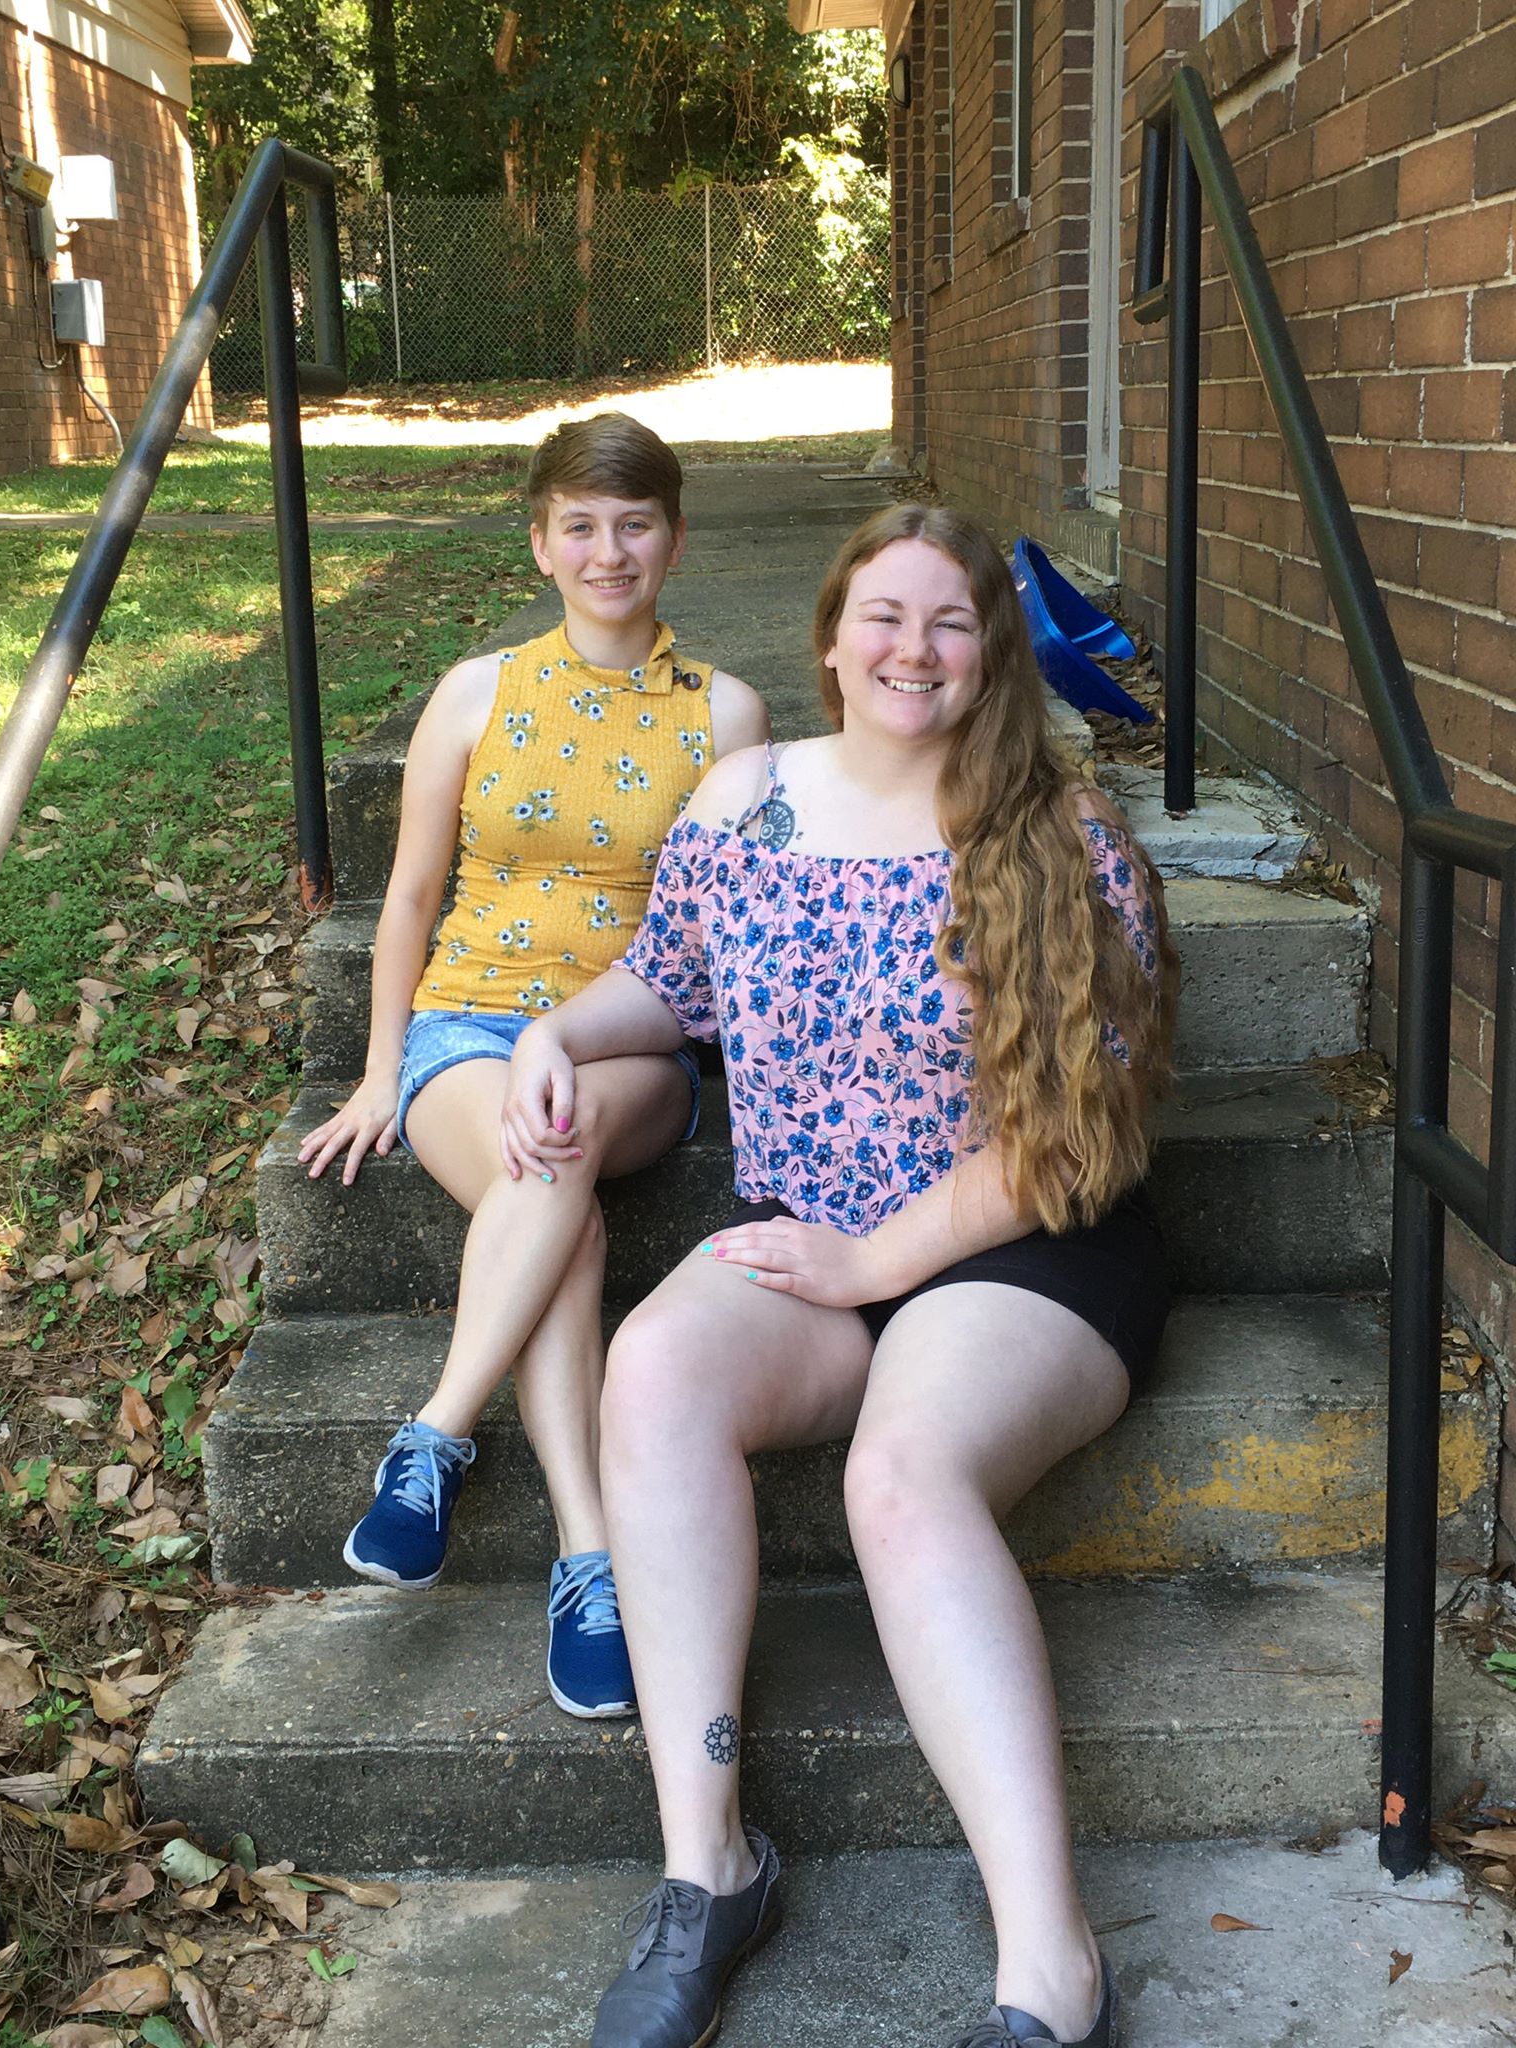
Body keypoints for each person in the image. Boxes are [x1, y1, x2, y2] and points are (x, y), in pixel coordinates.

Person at [500, 503, 1178, 2047]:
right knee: (653, 1370)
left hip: (1027, 1249)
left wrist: (874, 1258)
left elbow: (1070, 1131)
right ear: (829, 640)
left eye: (951, 621)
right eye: (885, 614)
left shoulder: (1060, 835)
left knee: (901, 1472)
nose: (913, 648)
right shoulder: (744, 807)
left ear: (992, 655)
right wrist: (553, 1030)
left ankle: (1053, 1972)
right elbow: (664, 982)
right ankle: (710, 1871)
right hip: (820, 1240)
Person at [297, 412, 769, 1720]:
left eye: (635, 524)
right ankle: (590, 1557)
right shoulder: (477, 692)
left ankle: (436, 1433)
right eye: (581, 526)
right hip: (466, 1028)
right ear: (541, 545)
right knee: (556, 1199)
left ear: (674, 539)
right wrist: (378, 1071)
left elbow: (732, 928)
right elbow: (409, 896)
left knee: (556, 1138)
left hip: (632, 1044)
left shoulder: (728, 714)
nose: (609, 551)